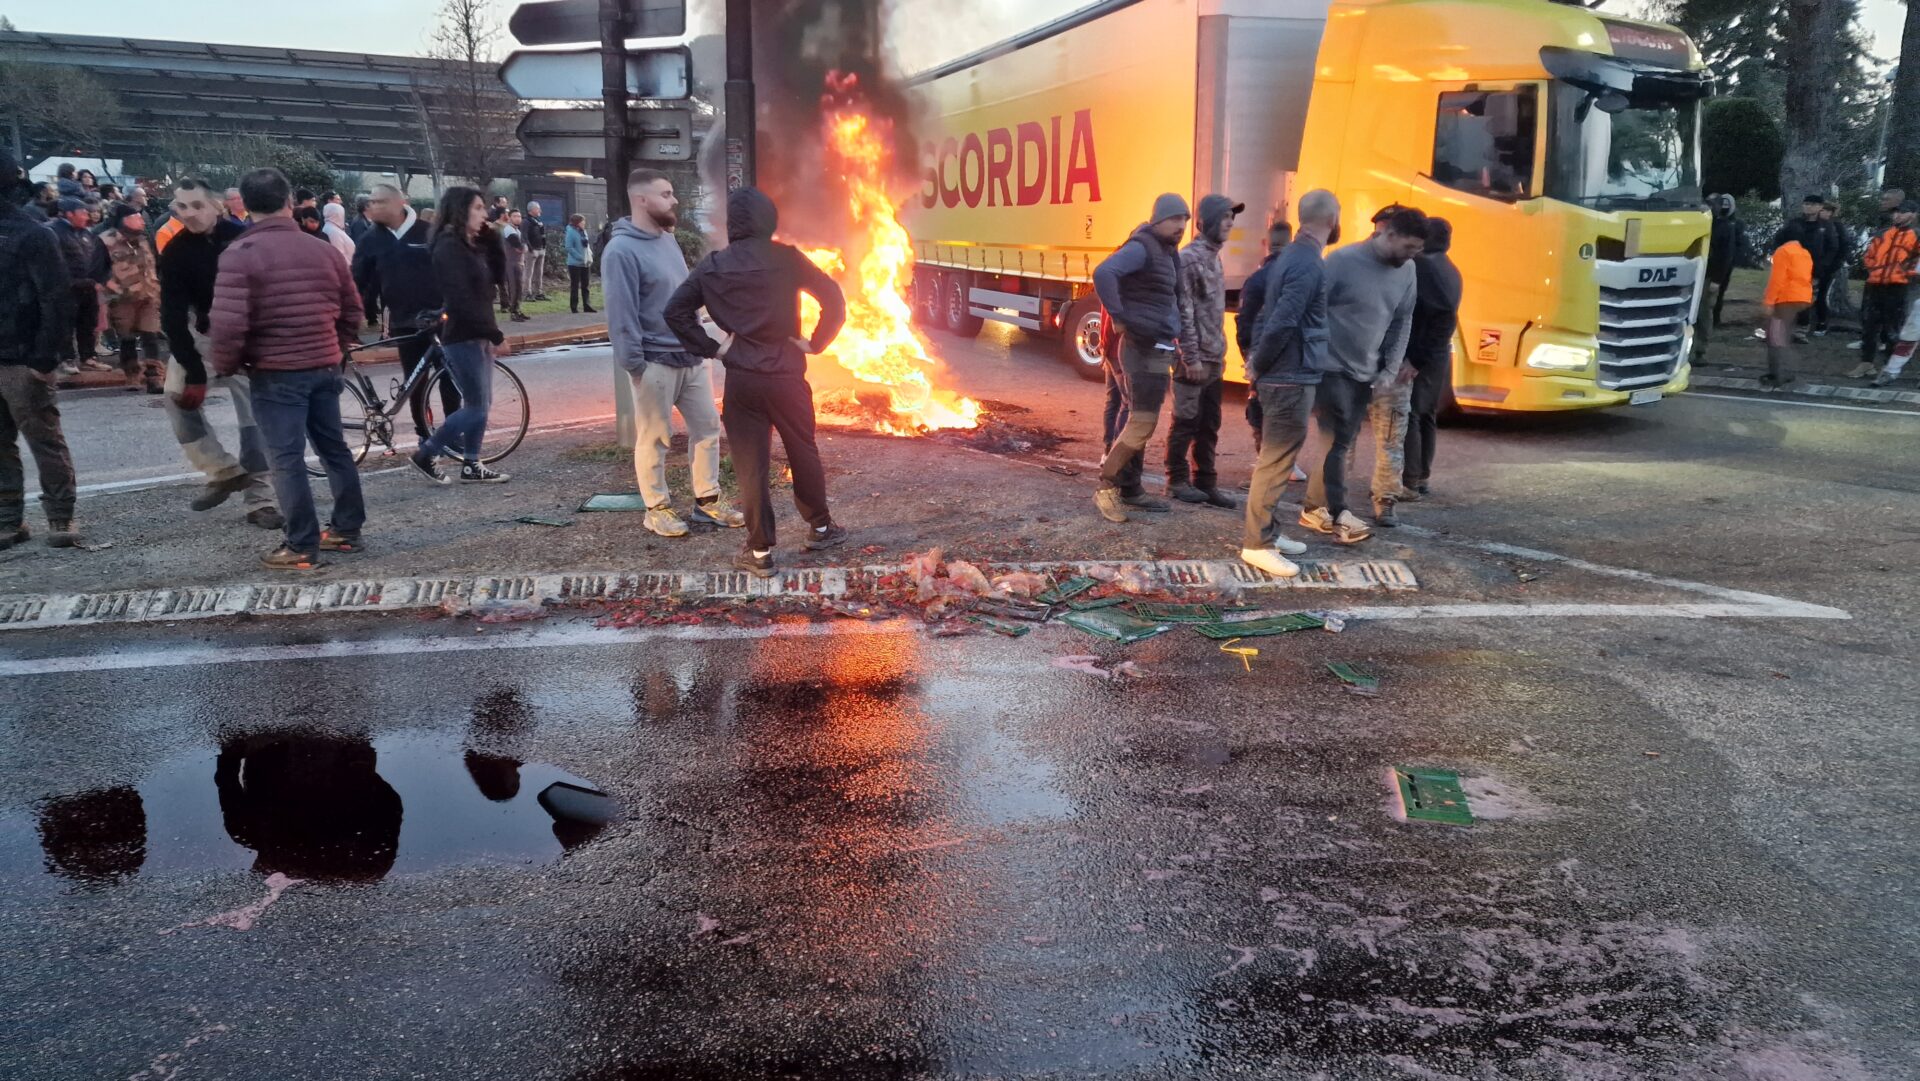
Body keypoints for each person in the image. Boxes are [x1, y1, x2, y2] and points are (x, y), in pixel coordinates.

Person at [663, 187, 848, 578]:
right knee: (803, 449)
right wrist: (815, 342)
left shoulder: (714, 265)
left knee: (751, 465)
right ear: (770, 219)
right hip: (786, 374)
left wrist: (713, 348)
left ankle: (760, 551)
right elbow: (833, 297)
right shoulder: (788, 259)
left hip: (743, 376)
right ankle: (820, 527)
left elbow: (675, 311)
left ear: (733, 224)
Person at [208, 167, 368, 570]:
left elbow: (227, 326)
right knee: (334, 449)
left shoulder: (239, 255)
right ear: (290, 202)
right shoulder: (323, 249)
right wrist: (337, 344)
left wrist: (229, 365)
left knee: (286, 459)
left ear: (244, 204)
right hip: (324, 364)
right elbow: (353, 310)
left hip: (275, 370)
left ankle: (301, 544)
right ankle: (346, 529)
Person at [604, 169, 744, 539]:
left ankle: (708, 501)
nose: (674, 200)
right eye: (666, 194)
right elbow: (622, 315)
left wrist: (700, 343)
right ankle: (657, 509)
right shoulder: (620, 251)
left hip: (690, 357)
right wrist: (635, 365)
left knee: (708, 429)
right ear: (642, 200)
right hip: (654, 361)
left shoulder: (668, 240)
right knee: (655, 436)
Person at [156, 178, 280, 529]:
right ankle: (222, 469)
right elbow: (172, 315)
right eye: (181, 207)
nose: (189, 214)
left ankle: (262, 500)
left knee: (253, 421)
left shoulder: (244, 238)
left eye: (197, 206)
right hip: (203, 335)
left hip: (248, 337)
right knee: (175, 396)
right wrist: (193, 370)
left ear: (217, 206)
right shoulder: (176, 251)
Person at [1304, 204, 1424, 543]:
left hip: (1366, 370)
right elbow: (1313, 307)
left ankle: (1319, 508)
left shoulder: (1408, 270)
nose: (1411, 255)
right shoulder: (1342, 261)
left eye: (1417, 250)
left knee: (1339, 441)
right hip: (1331, 366)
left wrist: (1389, 367)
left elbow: (1403, 319)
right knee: (1337, 440)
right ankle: (1326, 510)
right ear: (1387, 234)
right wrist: (1314, 356)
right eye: (1407, 247)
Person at [1239, 189, 1339, 578]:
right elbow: (1282, 319)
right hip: (1288, 375)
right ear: (1332, 218)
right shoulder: (1307, 263)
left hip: (1286, 371)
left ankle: (1268, 533)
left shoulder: (1292, 257)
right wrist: (1259, 365)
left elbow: (1269, 312)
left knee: (1277, 460)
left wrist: (1258, 363)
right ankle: (1257, 545)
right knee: (1277, 460)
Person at [0, 149, 85, 551]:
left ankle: (58, 517)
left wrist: (44, 360)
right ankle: (17, 521)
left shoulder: (31, 233)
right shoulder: (31, 232)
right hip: (17, 356)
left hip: (23, 358)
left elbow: (56, 300)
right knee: (17, 444)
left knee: (43, 440)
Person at [1089, 192, 1189, 524]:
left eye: (1185, 220)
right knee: (1140, 422)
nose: (1182, 226)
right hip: (1140, 348)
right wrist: (1118, 315)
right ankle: (1107, 487)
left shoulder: (1167, 253)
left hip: (1160, 347)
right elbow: (1104, 274)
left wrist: (1177, 342)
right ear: (1158, 219)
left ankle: (1131, 489)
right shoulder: (1141, 246)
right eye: (1176, 219)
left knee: (1144, 424)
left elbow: (1169, 300)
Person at [410, 185, 510, 485]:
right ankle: (427, 451)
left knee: (481, 403)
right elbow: (461, 300)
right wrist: (494, 334)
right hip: (463, 334)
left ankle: (471, 463)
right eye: (478, 208)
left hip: (479, 331)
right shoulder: (448, 247)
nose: (484, 214)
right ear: (461, 209)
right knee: (476, 407)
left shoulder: (469, 245)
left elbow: (497, 277)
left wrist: (492, 239)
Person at [352, 182, 454, 441]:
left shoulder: (429, 233)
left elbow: (450, 272)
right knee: (415, 382)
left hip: (439, 319)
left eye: (379, 201)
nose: (372, 206)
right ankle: (424, 433)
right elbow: (358, 283)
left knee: (450, 377)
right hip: (404, 321)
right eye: (371, 202)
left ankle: (454, 430)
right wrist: (351, 319)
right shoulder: (370, 240)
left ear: (400, 203)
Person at [1167, 193, 1242, 508]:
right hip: (1193, 360)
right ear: (1207, 220)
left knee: (1210, 423)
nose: (1229, 222)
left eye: (1232, 218)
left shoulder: (1214, 256)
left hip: (1214, 359)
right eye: (1225, 216)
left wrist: (1219, 355)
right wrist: (1191, 357)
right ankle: (1176, 481)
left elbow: (1209, 311)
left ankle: (1206, 482)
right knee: (1185, 421)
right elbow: (1184, 312)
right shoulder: (1190, 258)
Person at [1402, 216, 1460, 500]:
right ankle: (1422, 475)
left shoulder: (1423, 266)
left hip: (1423, 351)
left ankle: (1410, 478)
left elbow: (1437, 314)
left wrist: (1414, 357)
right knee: (1427, 415)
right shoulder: (1452, 269)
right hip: (1439, 353)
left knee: (1412, 412)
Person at [90, 202, 164, 394]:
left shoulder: (144, 238)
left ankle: (154, 376)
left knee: (151, 335)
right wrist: (111, 286)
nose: (140, 220)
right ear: (123, 220)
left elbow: (155, 263)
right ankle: (132, 374)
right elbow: (96, 270)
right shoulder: (105, 241)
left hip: (148, 296)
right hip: (121, 299)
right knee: (127, 338)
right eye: (135, 217)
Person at [1235, 219, 1292, 456]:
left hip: (1261, 356)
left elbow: (1244, 322)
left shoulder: (1256, 279)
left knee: (1260, 408)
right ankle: (1285, 460)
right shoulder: (1298, 274)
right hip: (1290, 355)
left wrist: (1248, 354)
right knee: (1287, 410)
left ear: (1265, 244)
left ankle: (1265, 460)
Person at [1855, 201, 1919, 380]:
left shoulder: (1916, 236)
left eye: (1903, 212)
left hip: (1898, 286)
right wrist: (1875, 269)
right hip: (1875, 284)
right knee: (1868, 325)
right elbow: (1869, 255)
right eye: (1895, 212)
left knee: (1893, 327)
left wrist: (1906, 274)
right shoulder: (1883, 234)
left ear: (1913, 214)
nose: (1897, 216)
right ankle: (1866, 363)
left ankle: (1889, 366)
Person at [49, 197, 102, 374]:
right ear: (69, 214)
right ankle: (67, 359)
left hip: (89, 286)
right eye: (83, 212)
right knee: (66, 324)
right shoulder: (53, 232)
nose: (87, 215)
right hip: (67, 288)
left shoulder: (86, 233)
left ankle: (88, 357)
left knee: (88, 323)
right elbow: (54, 263)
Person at [1761, 234, 1813, 388]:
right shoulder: (1804, 252)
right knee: (1783, 335)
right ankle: (1785, 372)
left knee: (1775, 338)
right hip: (1801, 297)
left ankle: (1778, 374)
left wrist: (1769, 302)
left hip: (1785, 298)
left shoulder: (1783, 251)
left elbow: (1777, 279)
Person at [500, 210, 530, 322]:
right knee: (514, 287)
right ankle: (513, 312)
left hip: (519, 262)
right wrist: (524, 247)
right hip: (511, 262)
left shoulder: (517, 230)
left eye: (519, 216)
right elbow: (519, 247)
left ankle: (517, 309)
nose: (518, 218)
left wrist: (524, 247)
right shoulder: (509, 230)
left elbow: (523, 246)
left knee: (520, 287)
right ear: (510, 217)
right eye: (515, 216)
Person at [565, 213, 595, 313]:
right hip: (574, 264)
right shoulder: (571, 232)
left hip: (585, 263)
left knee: (586, 285)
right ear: (577, 223)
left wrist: (589, 255)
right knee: (575, 285)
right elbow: (569, 247)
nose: (584, 223)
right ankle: (574, 306)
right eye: (582, 222)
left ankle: (587, 305)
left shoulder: (583, 232)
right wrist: (580, 257)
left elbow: (586, 246)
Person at [523, 201, 549, 301]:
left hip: (541, 249)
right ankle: (527, 293)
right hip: (532, 250)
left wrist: (544, 246)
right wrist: (530, 248)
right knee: (529, 273)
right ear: (532, 210)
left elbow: (542, 235)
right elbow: (524, 236)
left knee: (539, 273)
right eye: (538, 209)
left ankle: (538, 292)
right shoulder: (526, 221)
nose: (540, 211)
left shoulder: (537, 221)